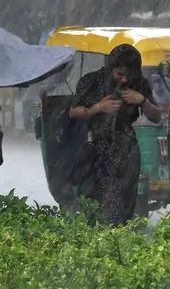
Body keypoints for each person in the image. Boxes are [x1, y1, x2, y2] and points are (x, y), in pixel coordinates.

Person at [68, 44, 162, 225]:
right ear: (111, 68)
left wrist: (141, 100)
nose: (124, 80)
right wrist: (98, 108)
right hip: (96, 146)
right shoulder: (92, 81)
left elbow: (156, 116)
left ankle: (120, 234)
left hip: (126, 148)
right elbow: (73, 111)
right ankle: (101, 234)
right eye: (120, 74)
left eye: (129, 75)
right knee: (98, 197)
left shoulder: (140, 84)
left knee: (127, 197)